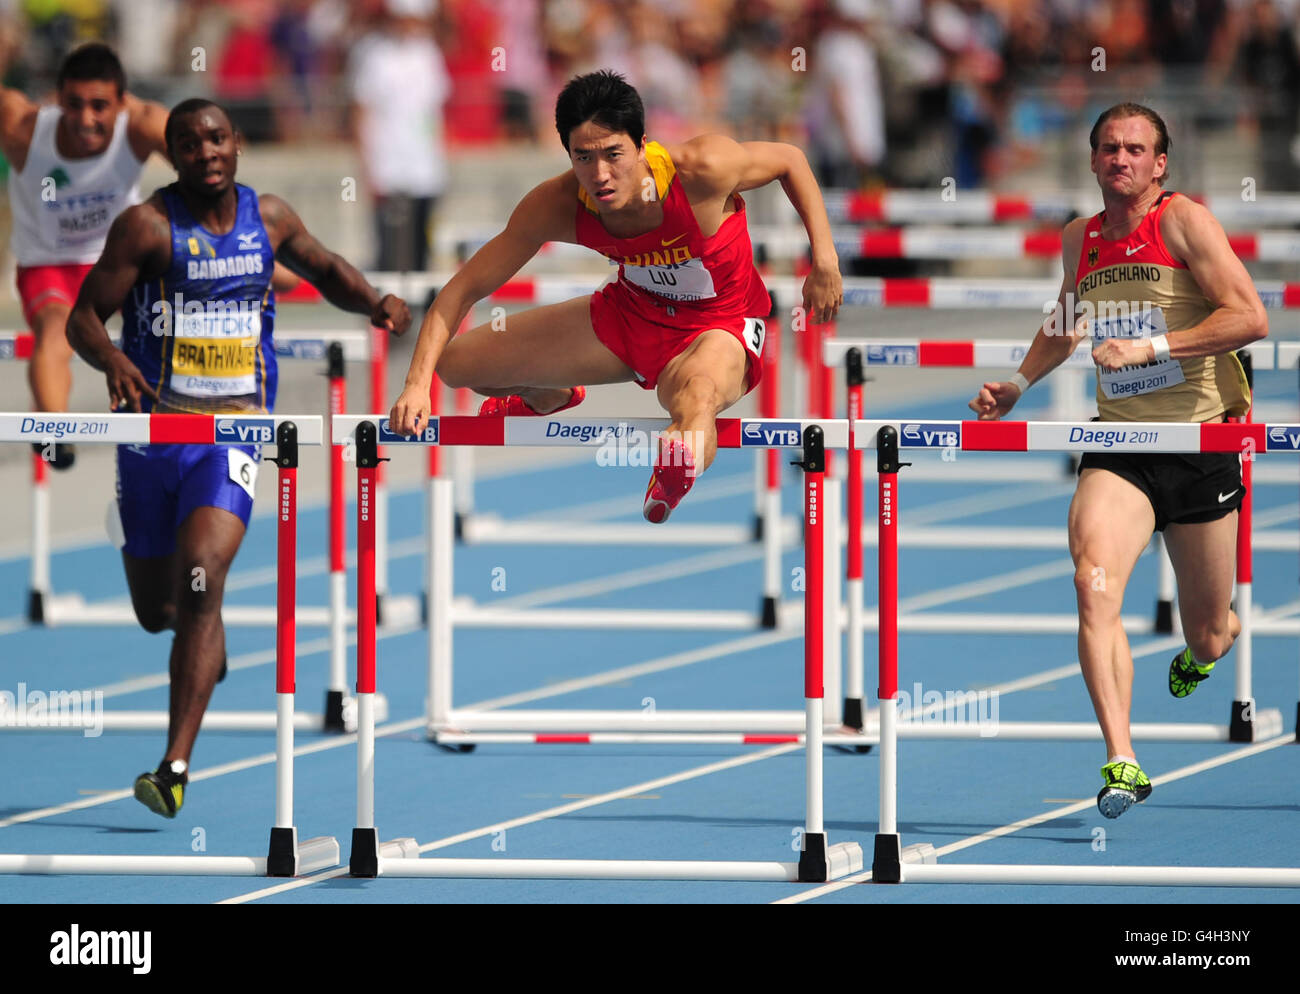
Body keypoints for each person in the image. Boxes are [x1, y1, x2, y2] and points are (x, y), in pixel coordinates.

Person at [66, 98, 411, 818]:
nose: (205, 153)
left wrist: (376, 300)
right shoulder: (149, 228)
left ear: (238, 144)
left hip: (234, 435)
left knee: (201, 582)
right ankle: (198, 635)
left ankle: (173, 766)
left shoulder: (270, 219)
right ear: (175, 156)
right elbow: (82, 317)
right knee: (158, 610)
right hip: (153, 437)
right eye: (188, 144)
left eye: (216, 139)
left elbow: (324, 267)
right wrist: (112, 365)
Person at [969, 103, 1267, 819]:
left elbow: (1250, 316)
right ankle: (1122, 758)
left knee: (1209, 630)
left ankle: (1206, 647)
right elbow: (1066, 320)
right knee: (1091, 583)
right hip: (1120, 444)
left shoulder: (1184, 223)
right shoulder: (1081, 237)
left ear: (1159, 164)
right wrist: (1018, 382)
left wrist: (1152, 348)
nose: (1121, 159)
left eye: (1136, 149)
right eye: (1109, 148)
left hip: (1198, 444)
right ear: (1094, 159)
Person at [389, 69, 842, 522]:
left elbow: (790, 160)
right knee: (455, 365)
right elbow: (463, 288)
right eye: (583, 157)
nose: (600, 175)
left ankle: (676, 466)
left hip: (719, 326)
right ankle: (548, 395)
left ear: (643, 144)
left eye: (613, 154)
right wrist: (415, 386)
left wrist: (824, 260)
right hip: (628, 317)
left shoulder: (703, 169)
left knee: (697, 396)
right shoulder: (557, 204)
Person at [0, 42, 169, 469]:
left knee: (166, 317)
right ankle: (52, 430)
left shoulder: (142, 124)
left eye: (99, 106)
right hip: (48, 263)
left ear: (123, 103)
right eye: (73, 105)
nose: (86, 119)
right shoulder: (22, 126)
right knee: (56, 328)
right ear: (57, 99)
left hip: (115, 262)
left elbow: (208, 160)